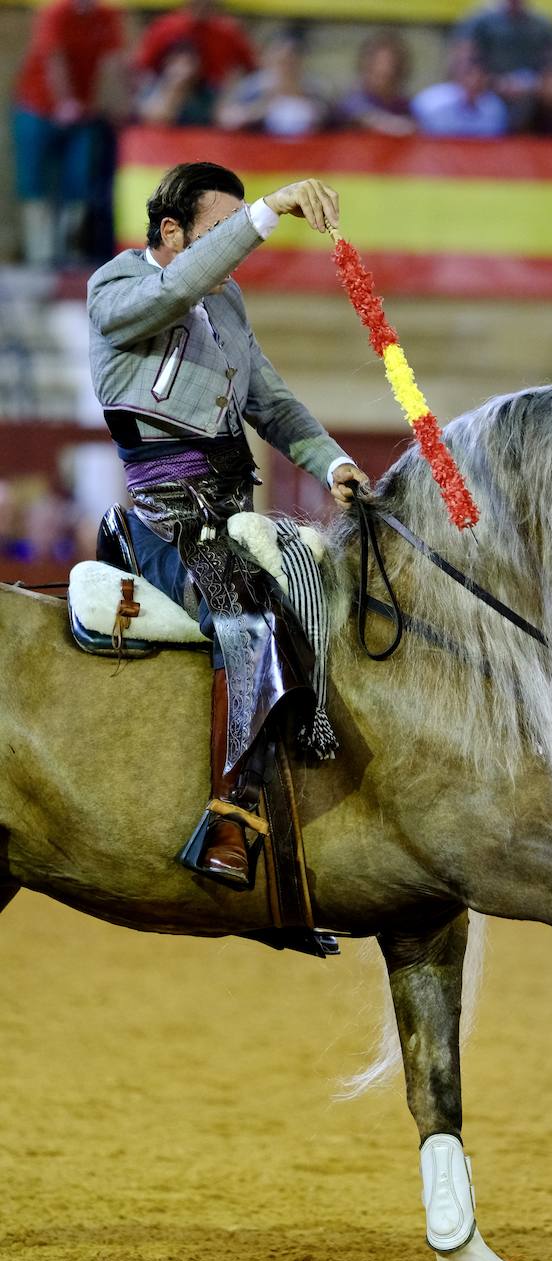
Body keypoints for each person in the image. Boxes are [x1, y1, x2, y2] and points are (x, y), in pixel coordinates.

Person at [87, 163, 368, 888]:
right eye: (219, 235)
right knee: (245, 620)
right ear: (171, 231)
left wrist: (333, 464)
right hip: (166, 521)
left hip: (232, 517)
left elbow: (272, 405)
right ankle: (229, 816)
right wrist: (271, 208)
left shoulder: (229, 304)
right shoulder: (117, 287)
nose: (233, 255)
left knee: (327, 591)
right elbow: (177, 286)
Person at [12, 0, 126, 267]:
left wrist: (118, 105)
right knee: (34, 181)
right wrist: (65, 102)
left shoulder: (106, 17)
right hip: (38, 107)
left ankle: (70, 252)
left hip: (82, 111)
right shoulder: (56, 13)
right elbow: (54, 57)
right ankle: (40, 255)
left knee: (79, 181)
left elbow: (112, 63)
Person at [134, 0, 255, 123]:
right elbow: (142, 68)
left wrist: (232, 93)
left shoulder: (228, 32)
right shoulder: (165, 27)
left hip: (210, 96)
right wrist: (173, 86)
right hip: (165, 91)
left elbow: (252, 69)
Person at [216, 26, 327, 137]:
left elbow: (330, 119)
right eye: (281, 61)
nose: (286, 66)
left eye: (291, 61)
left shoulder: (312, 89)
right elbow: (227, 119)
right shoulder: (256, 87)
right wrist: (261, 108)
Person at [455, 0, 552, 107]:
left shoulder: (541, 23)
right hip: (487, 85)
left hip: (532, 87)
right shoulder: (480, 20)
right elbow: (465, 58)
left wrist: (533, 83)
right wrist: (493, 82)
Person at [412, 47, 510, 137]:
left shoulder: (495, 108)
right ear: (456, 75)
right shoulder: (429, 102)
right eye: (468, 74)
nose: (474, 81)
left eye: (480, 76)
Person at [333, 30, 416, 136]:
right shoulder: (351, 100)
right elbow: (367, 117)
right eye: (378, 64)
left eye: (391, 65)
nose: (385, 71)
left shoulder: (404, 104)